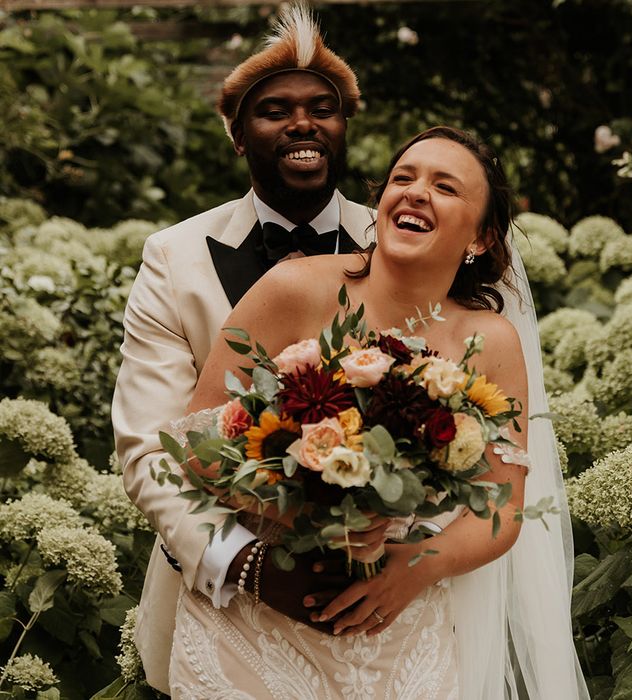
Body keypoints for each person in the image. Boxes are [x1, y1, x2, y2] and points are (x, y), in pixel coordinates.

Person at [169, 126, 590, 699]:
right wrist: (313, 517)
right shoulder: (293, 288)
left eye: (445, 187)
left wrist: (417, 565)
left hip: (397, 625)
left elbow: (502, 506)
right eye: (403, 179)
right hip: (261, 610)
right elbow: (198, 443)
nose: (415, 192)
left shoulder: (489, 342)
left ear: (483, 237)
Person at [111, 6, 378, 694]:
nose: (303, 123)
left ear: (344, 129)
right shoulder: (174, 258)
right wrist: (250, 565)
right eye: (275, 110)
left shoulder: (396, 242)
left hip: (377, 613)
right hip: (213, 613)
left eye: (324, 108)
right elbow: (148, 449)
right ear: (237, 136)